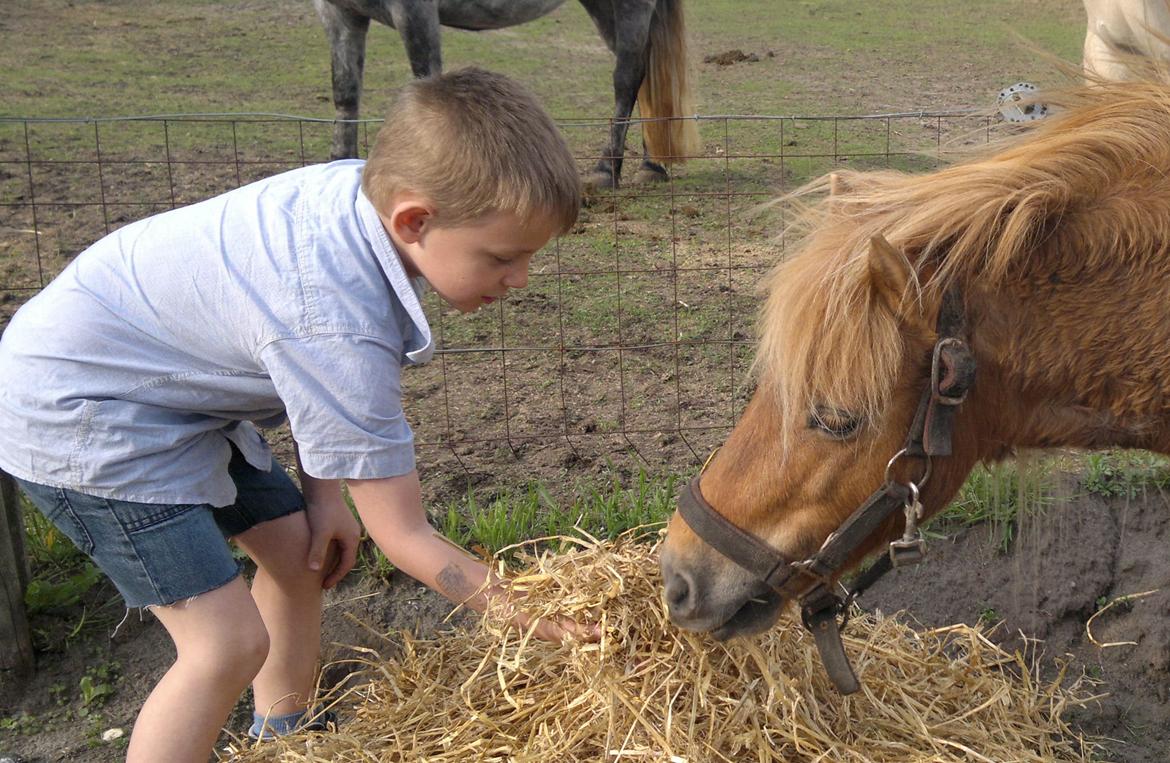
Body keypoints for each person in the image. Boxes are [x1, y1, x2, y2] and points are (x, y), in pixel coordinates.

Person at [0, 67, 594, 763]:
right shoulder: (337, 317)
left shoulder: (364, 200)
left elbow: (311, 383)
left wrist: (326, 496)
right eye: (503, 257)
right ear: (415, 220)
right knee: (224, 644)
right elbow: (402, 532)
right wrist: (535, 617)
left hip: (158, 388)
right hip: (82, 415)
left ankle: (283, 738)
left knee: (299, 553)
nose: (520, 279)